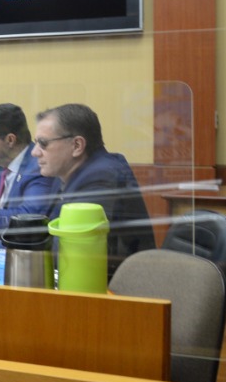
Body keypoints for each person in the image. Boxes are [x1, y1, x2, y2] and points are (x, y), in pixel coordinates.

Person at [33, 103, 156, 275]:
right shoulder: (65, 172)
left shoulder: (101, 176)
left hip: (112, 284)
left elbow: (70, 251)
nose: (34, 152)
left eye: (43, 143)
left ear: (77, 145)